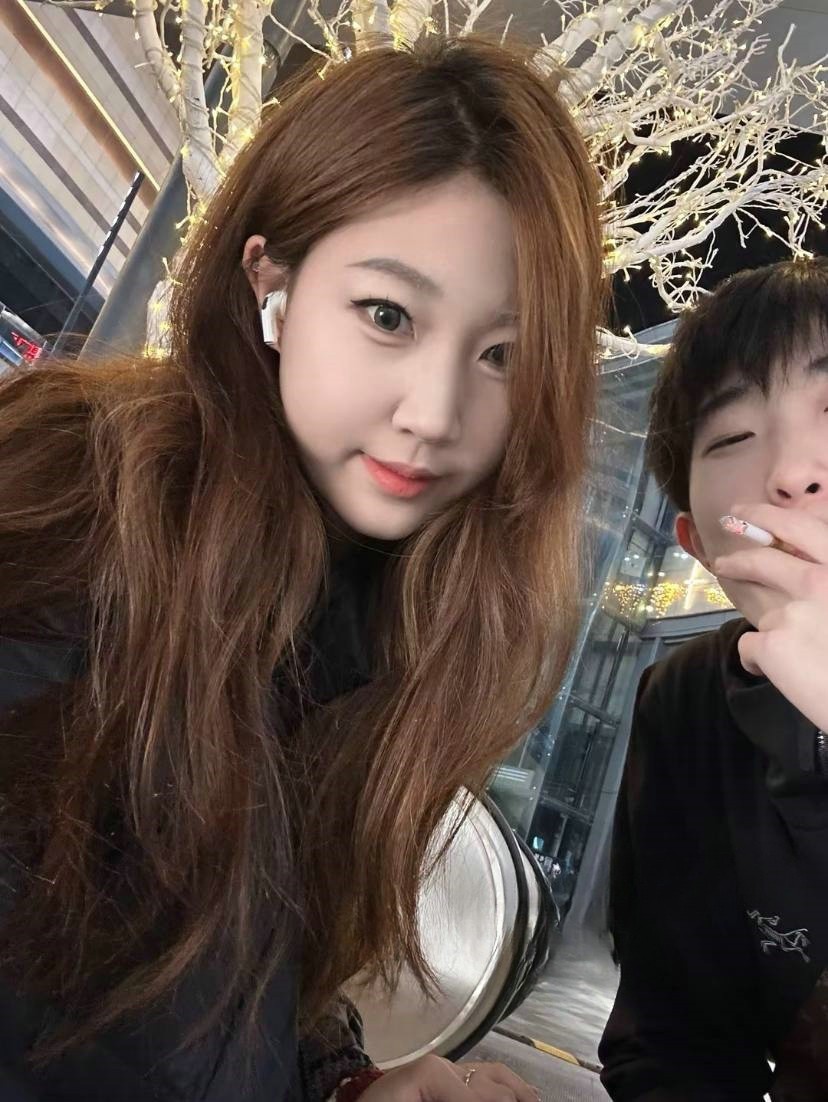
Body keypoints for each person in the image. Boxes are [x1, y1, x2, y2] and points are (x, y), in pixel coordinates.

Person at [0, 34, 605, 1102]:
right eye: (388, 316)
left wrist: (342, 1083)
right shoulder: (78, 515)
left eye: (501, 355)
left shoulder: (382, 616)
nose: (435, 413)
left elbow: (225, 969)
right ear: (269, 283)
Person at [599, 258, 828, 1102]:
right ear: (697, 543)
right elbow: (677, 1038)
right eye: (732, 438)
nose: (793, 473)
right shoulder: (689, 703)